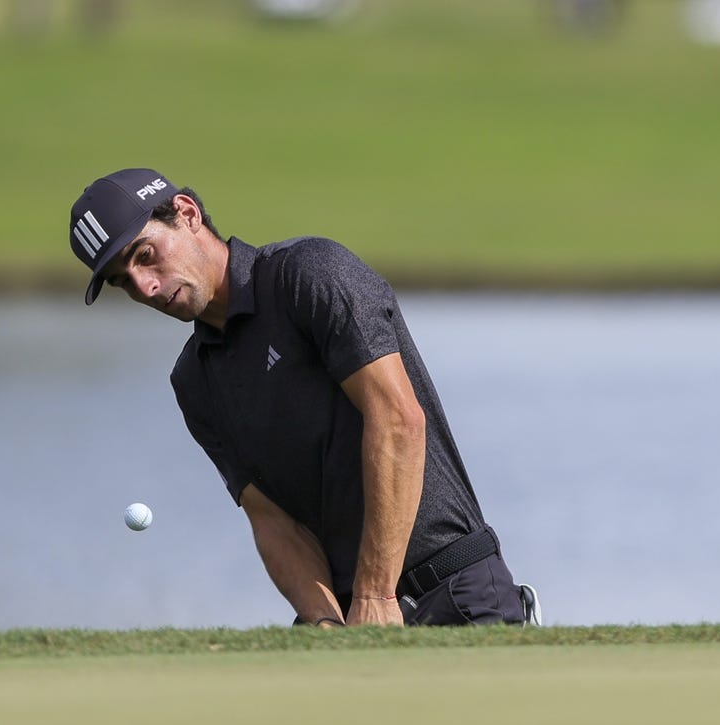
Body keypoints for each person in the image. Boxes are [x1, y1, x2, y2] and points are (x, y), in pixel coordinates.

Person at [68, 168, 541, 627]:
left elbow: (397, 419)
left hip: (457, 592)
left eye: (145, 254)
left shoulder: (307, 274)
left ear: (187, 213)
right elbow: (273, 519)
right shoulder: (194, 380)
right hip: (354, 614)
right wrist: (324, 624)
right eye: (122, 280)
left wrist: (376, 595)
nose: (144, 286)